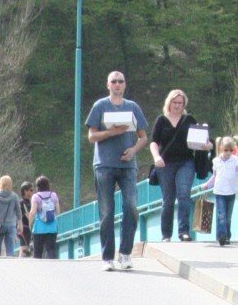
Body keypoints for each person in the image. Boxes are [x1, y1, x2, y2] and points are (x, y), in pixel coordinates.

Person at [86, 71, 148, 271]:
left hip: (128, 165)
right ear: (108, 84)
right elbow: (91, 137)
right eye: (114, 81)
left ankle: (125, 253)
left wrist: (133, 150)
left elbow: (143, 137)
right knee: (106, 211)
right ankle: (107, 257)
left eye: (121, 81)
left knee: (131, 206)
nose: (117, 84)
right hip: (104, 164)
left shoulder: (133, 107)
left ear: (125, 85)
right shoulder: (100, 106)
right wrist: (111, 132)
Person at [150, 89, 200, 242]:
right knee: (168, 199)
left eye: (180, 103)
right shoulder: (161, 120)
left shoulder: (189, 119)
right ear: (169, 102)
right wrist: (156, 156)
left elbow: (200, 139)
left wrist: (206, 145)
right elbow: (154, 142)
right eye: (175, 102)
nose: (177, 105)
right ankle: (166, 235)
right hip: (165, 164)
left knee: (184, 195)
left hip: (186, 162)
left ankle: (183, 231)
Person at [212, 136, 237, 247]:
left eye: (230, 150)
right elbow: (214, 176)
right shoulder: (216, 161)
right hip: (219, 192)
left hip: (231, 192)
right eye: (226, 150)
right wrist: (207, 185)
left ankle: (227, 236)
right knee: (221, 215)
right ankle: (221, 236)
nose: (228, 153)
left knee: (228, 216)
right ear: (221, 148)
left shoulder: (235, 161)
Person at [28, 175, 61, 258]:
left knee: (37, 252)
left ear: (37, 186)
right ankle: (53, 268)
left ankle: (38, 270)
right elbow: (58, 211)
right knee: (51, 250)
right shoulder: (53, 195)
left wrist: (29, 224)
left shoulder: (36, 197)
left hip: (39, 228)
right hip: (52, 228)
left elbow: (32, 212)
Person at [18, 182, 34, 254]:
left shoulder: (29, 202)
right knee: (24, 249)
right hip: (24, 228)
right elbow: (28, 216)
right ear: (25, 191)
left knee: (27, 250)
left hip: (27, 228)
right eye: (30, 190)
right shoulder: (22, 202)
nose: (32, 192)